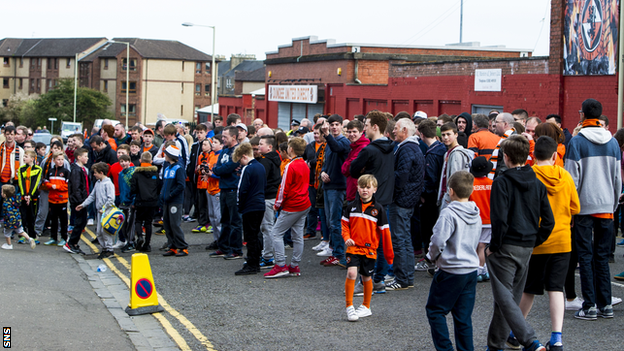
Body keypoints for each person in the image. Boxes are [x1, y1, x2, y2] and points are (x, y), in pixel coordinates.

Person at [485, 135, 555, 351]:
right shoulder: (537, 183)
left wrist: (493, 246)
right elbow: (549, 220)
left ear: (505, 157)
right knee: (508, 300)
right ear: (528, 157)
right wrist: (536, 239)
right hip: (526, 246)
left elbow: (499, 219)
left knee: (505, 298)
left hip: (505, 246)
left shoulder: (502, 183)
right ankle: (495, 345)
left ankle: (530, 340)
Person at [518, 136, 580, 350]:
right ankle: (557, 338)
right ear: (555, 156)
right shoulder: (565, 176)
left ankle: (515, 332)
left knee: (529, 289)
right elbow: (575, 207)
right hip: (562, 240)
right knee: (556, 288)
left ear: (533, 157)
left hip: (536, 240)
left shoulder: (529, 176)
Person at [565, 99, 621, 320]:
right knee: (601, 257)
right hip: (607, 206)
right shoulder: (613, 142)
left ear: (582, 114)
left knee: (585, 257)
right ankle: (605, 304)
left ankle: (589, 305)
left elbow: (572, 179)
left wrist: (571, 208)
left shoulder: (577, 142)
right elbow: (617, 179)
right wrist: (613, 204)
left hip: (583, 207)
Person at [426, 171, 480, 351]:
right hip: (470, 268)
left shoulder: (449, 213)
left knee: (435, 310)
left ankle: (445, 348)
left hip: (451, 269)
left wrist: (432, 257)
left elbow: (438, 240)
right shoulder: (476, 212)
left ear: (450, 191)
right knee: (463, 316)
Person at [349, 111, 395, 290]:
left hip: (368, 202)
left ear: (375, 127)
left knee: (364, 242)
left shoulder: (368, 150)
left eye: (366, 125)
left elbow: (353, 170)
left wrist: (364, 170)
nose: (364, 129)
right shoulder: (393, 147)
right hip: (385, 200)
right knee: (382, 242)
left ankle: (366, 280)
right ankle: (379, 280)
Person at [343, 174, 393, 321]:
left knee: (366, 276)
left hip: (370, 249)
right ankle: (349, 306)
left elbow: (386, 232)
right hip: (353, 248)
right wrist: (347, 238)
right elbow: (344, 225)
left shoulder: (379, 209)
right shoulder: (350, 206)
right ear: (357, 188)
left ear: (374, 189)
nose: (365, 190)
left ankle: (366, 306)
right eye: (362, 187)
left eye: (368, 187)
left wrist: (390, 256)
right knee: (351, 273)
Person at [385, 118, 424, 291]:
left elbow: (401, 176)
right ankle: (406, 278)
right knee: (405, 240)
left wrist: (392, 193)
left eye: (396, 128)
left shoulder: (407, 148)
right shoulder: (411, 147)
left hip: (401, 201)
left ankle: (402, 279)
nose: (393, 131)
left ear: (405, 131)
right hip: (407, 200)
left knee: (400, 240)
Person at [263, 138, 310, 279]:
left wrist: (277, 204)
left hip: (292, 205)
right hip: (304, 203)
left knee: (276, 233)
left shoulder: (291, 165)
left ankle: (280, 265)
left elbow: (283, 187)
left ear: (291, 149)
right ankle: (294, 265)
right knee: (297, 236)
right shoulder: (305, 165)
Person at [319, 114, 350, 267]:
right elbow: (327, 162)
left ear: (342, 126)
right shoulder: (330, 142)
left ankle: (340, 255)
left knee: (335, 222)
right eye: (332, 125)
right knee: (330, 221)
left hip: (337, 187)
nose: (334, 127)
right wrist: (322, 172)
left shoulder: (343, 141)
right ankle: (335, 253)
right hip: (328, 185)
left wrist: (326, 135)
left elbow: (337, 149)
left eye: (337, 124)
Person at [232, 143, 266, 275]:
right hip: (260, 204)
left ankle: (251, 263)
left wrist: (239, 206)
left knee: (250, 236)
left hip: (250, 206)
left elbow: (242, 189)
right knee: (256, 234)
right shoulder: (261, 167)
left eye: (240, 160)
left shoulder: (248, 168)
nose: (240, 163)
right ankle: (255, 261)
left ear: (244, 156)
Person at [210, 126, 243, 260]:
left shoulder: (237, 150)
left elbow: (229, 166)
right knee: (224, 220)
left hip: (233, 189)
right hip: (223, 188)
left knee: (235, 221)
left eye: (225, 137)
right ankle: (224, 247)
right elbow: (218, 167)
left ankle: (236, 250)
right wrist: (219, 170)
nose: (223, 139)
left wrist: (219, 170)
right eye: (222, 137)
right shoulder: (224, 150)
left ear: (234, 137)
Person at [417, 119, 446, 261]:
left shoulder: (433, 154)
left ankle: (429, 257)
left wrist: (423, 194)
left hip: (431, 198)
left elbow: (430, 178)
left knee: (429, 228)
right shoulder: (441, 149)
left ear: (422, 135)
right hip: (438, 195)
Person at [76, 162, 116, 259]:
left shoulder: (108, 183)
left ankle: (109, 250)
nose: (94, 175)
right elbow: (92, 196)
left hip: (106, 212)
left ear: (101, 173)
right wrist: (83, 205)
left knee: (106, 232)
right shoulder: (98, 183)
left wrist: (104, 208)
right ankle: (104, 249)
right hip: (99, 211)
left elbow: (111, 199)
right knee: (99, 232)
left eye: (95, 173)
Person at [256, 135, 282, 268]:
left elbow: (261, 179)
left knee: (267, 227)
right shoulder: (275, 158)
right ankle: (268, 254)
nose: (258, 146)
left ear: (269, 147)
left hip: (267, 197)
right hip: (273, 196)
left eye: (261, 144)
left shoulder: (265, 161)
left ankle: (268, 257)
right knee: (269, 226)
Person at [437, 123, 474, 211]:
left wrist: (451, 198)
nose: (445, 137)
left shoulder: (456, 154)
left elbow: (455, 179)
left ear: (456, 134)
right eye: (443, 135)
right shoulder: (448, 153)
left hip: (451, 200)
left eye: (448, 134)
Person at [161, 145, 189, 257]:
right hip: (166, 201)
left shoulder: (179, 168)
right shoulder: (168, 168)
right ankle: (172, 246)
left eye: (166, 154)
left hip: (175, 201)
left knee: (175, 224)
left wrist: (171, 194)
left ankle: (182, 247)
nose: (164, 156)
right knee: (167, 224)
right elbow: (164, 184)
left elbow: (181, 185)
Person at [469, 156, 494, 282]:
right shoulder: (491, 183)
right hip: (489, 219)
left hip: (475, 219)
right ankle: (483, 269)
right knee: (483, 246)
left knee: (476, 246)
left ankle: (477, 270)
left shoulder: (470, 184)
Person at [131, 152, 160, 253]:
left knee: (138, 220)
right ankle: (147, 244)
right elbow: (159, 187)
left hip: (140, 201)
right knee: (148, 223)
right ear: (151, 161)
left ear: (140, 161)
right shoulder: (155, 173)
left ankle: (139, 236)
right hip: (152, 201)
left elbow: (133, 189)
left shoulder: (137, 174)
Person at [42, 152, 70, 247]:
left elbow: (67, 185)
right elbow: (46, 182)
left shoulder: (66, 172)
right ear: (54, 161)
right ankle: (53, 238)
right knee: (53, 220)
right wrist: (51, 186)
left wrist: (57, 187)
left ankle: (64, 238)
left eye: (62, 159)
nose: (60, 161)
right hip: (52, 199)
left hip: (62, 200)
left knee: (63, 220)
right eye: (58, 159)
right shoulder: (50, 171)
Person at [66, 148, 89, 254]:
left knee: (82, 222)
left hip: (82, 199)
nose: (87, 158)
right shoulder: (76, 170)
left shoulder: (81, 169)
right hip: (78, 201)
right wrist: (81, 202)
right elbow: (76, 187)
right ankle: (71, 243)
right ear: (79, 157)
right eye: (85, 156)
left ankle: (74, 243)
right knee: (80, 222)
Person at [17, 149, 42, 244]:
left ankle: (32, 235)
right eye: (24, 156)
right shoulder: (21, 169)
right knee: (23, 216)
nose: (24, 158)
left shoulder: (38, 169)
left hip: (33, 197)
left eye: (26, 157)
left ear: (32, 159)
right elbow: (21, 183)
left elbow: (35, 183)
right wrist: (25, 195)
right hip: (24, 197)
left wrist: (30, 195)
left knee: (32, 216)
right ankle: (23, 235)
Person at [341, 120, 369, 203]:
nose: (351, 134)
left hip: (356, 191)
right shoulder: (354, 147)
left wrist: (346, 165)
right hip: (352, 189)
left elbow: (347, 169)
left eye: (354, 131)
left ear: (361, 132)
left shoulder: (362, 147)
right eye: (349, 132)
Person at [1, 184, 36, 250]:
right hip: (17, 219)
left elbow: (7, 213)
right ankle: (29, 239)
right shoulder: (15, 200)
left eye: (2, 192)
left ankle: (9, 245)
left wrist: (7, 221)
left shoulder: (6, 203)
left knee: (7, 233)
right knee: (20, 231)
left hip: (10, 220)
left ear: (5, 195)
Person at [204, 135, 222, 250]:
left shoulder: (221, 156)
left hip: (217, 189)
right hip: (209, 188)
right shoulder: (211, 155)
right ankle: (216, 239)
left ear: (221, 144)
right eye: (213, 142)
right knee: (212, 217)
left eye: (216, 142)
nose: (213, 144)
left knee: (218, 217)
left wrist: (212, 174)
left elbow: (221, 173)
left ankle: (221, 241)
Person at [192, 139, 212, 233]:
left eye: (205, 144)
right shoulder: (200, 155)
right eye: (202, 144)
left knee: (209, 205)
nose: (203, 146)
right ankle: (202, 223)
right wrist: (198, 168)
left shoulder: (211, 155)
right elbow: (196, 169)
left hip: (208, 184)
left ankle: (209, 223)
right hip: (200, 183)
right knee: (201, 205)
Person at [117, 154, 136, 252]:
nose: (123, 163)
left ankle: (131, 242)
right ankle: (128, 241)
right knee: (123, 224)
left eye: (125, 161)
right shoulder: (120, 174)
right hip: (123, 201)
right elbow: (121, 188)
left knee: (130, 224)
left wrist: (133, 200)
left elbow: (135, 188)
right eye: (121, 161)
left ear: (129, 161)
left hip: (131, 202)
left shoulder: (133, 172)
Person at [489, 112, 516, 179]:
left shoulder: (511, 140)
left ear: (505, 124)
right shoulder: (505, 138)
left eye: (497, 122)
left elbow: (505, 166)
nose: (494, 125)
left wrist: (497, 182)